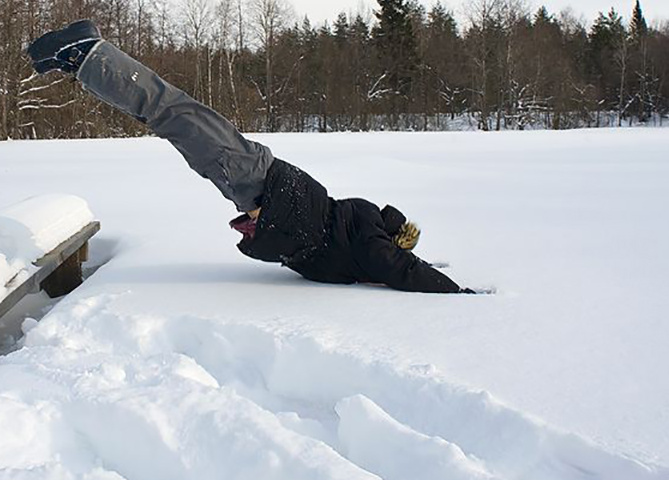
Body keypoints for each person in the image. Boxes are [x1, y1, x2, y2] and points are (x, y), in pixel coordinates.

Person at [26, 19, 471, 294]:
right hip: (262, 183)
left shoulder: (363, 222)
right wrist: (459, 293)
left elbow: (394, 261)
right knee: (171, 113)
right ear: (394, 244)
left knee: (171, 114)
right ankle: (87, 53)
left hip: (268, 178)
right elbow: (404, 271)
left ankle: (87, 61)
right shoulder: (370, 246)